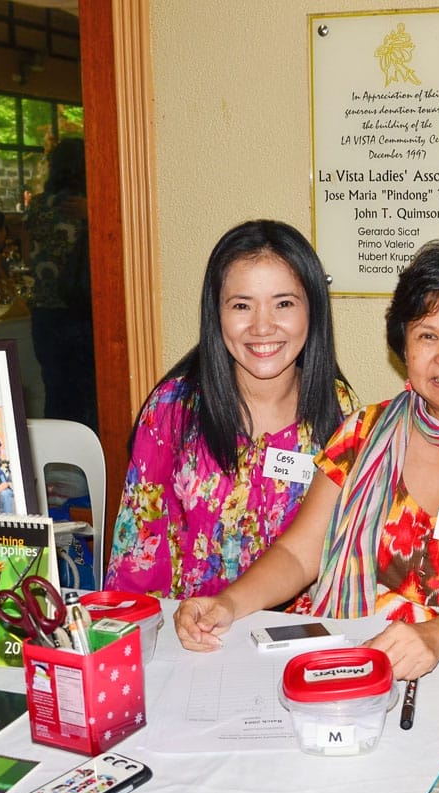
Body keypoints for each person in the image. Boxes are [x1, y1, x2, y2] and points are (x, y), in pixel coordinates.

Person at [175, 240, 439, 682]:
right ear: (404, 350)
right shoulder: (362, 431)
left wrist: (435, 637)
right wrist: (228, 603)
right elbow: (299, 554)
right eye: (427, 336)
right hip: (344, 659)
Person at [106, 219, 357, 599]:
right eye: (241, 305)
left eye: (284, 304)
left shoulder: (342, 414)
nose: (262, 327)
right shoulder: (174, 411)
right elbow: (136, 557)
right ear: (216, 313)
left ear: (313, 310)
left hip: (301, 644)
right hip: (194, 641)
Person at [24, 138, 98, 428]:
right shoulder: (90, 206)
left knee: (56, 389)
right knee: (89, 392)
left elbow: (29, 256)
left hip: (44, 311)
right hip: (81, 308)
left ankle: (57, 459)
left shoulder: (38, 206)